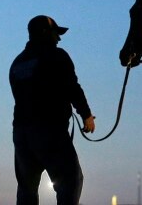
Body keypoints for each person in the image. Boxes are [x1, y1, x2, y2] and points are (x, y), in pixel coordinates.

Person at [9, 15, 96, 205]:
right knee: (71, 181)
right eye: (56, 34)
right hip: (49, 131)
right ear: (45, 33)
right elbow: (73, 87)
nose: (59, 38)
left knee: (26, 189)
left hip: (21, 134)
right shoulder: (57, 56)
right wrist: (87, 115)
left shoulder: (17, 63)